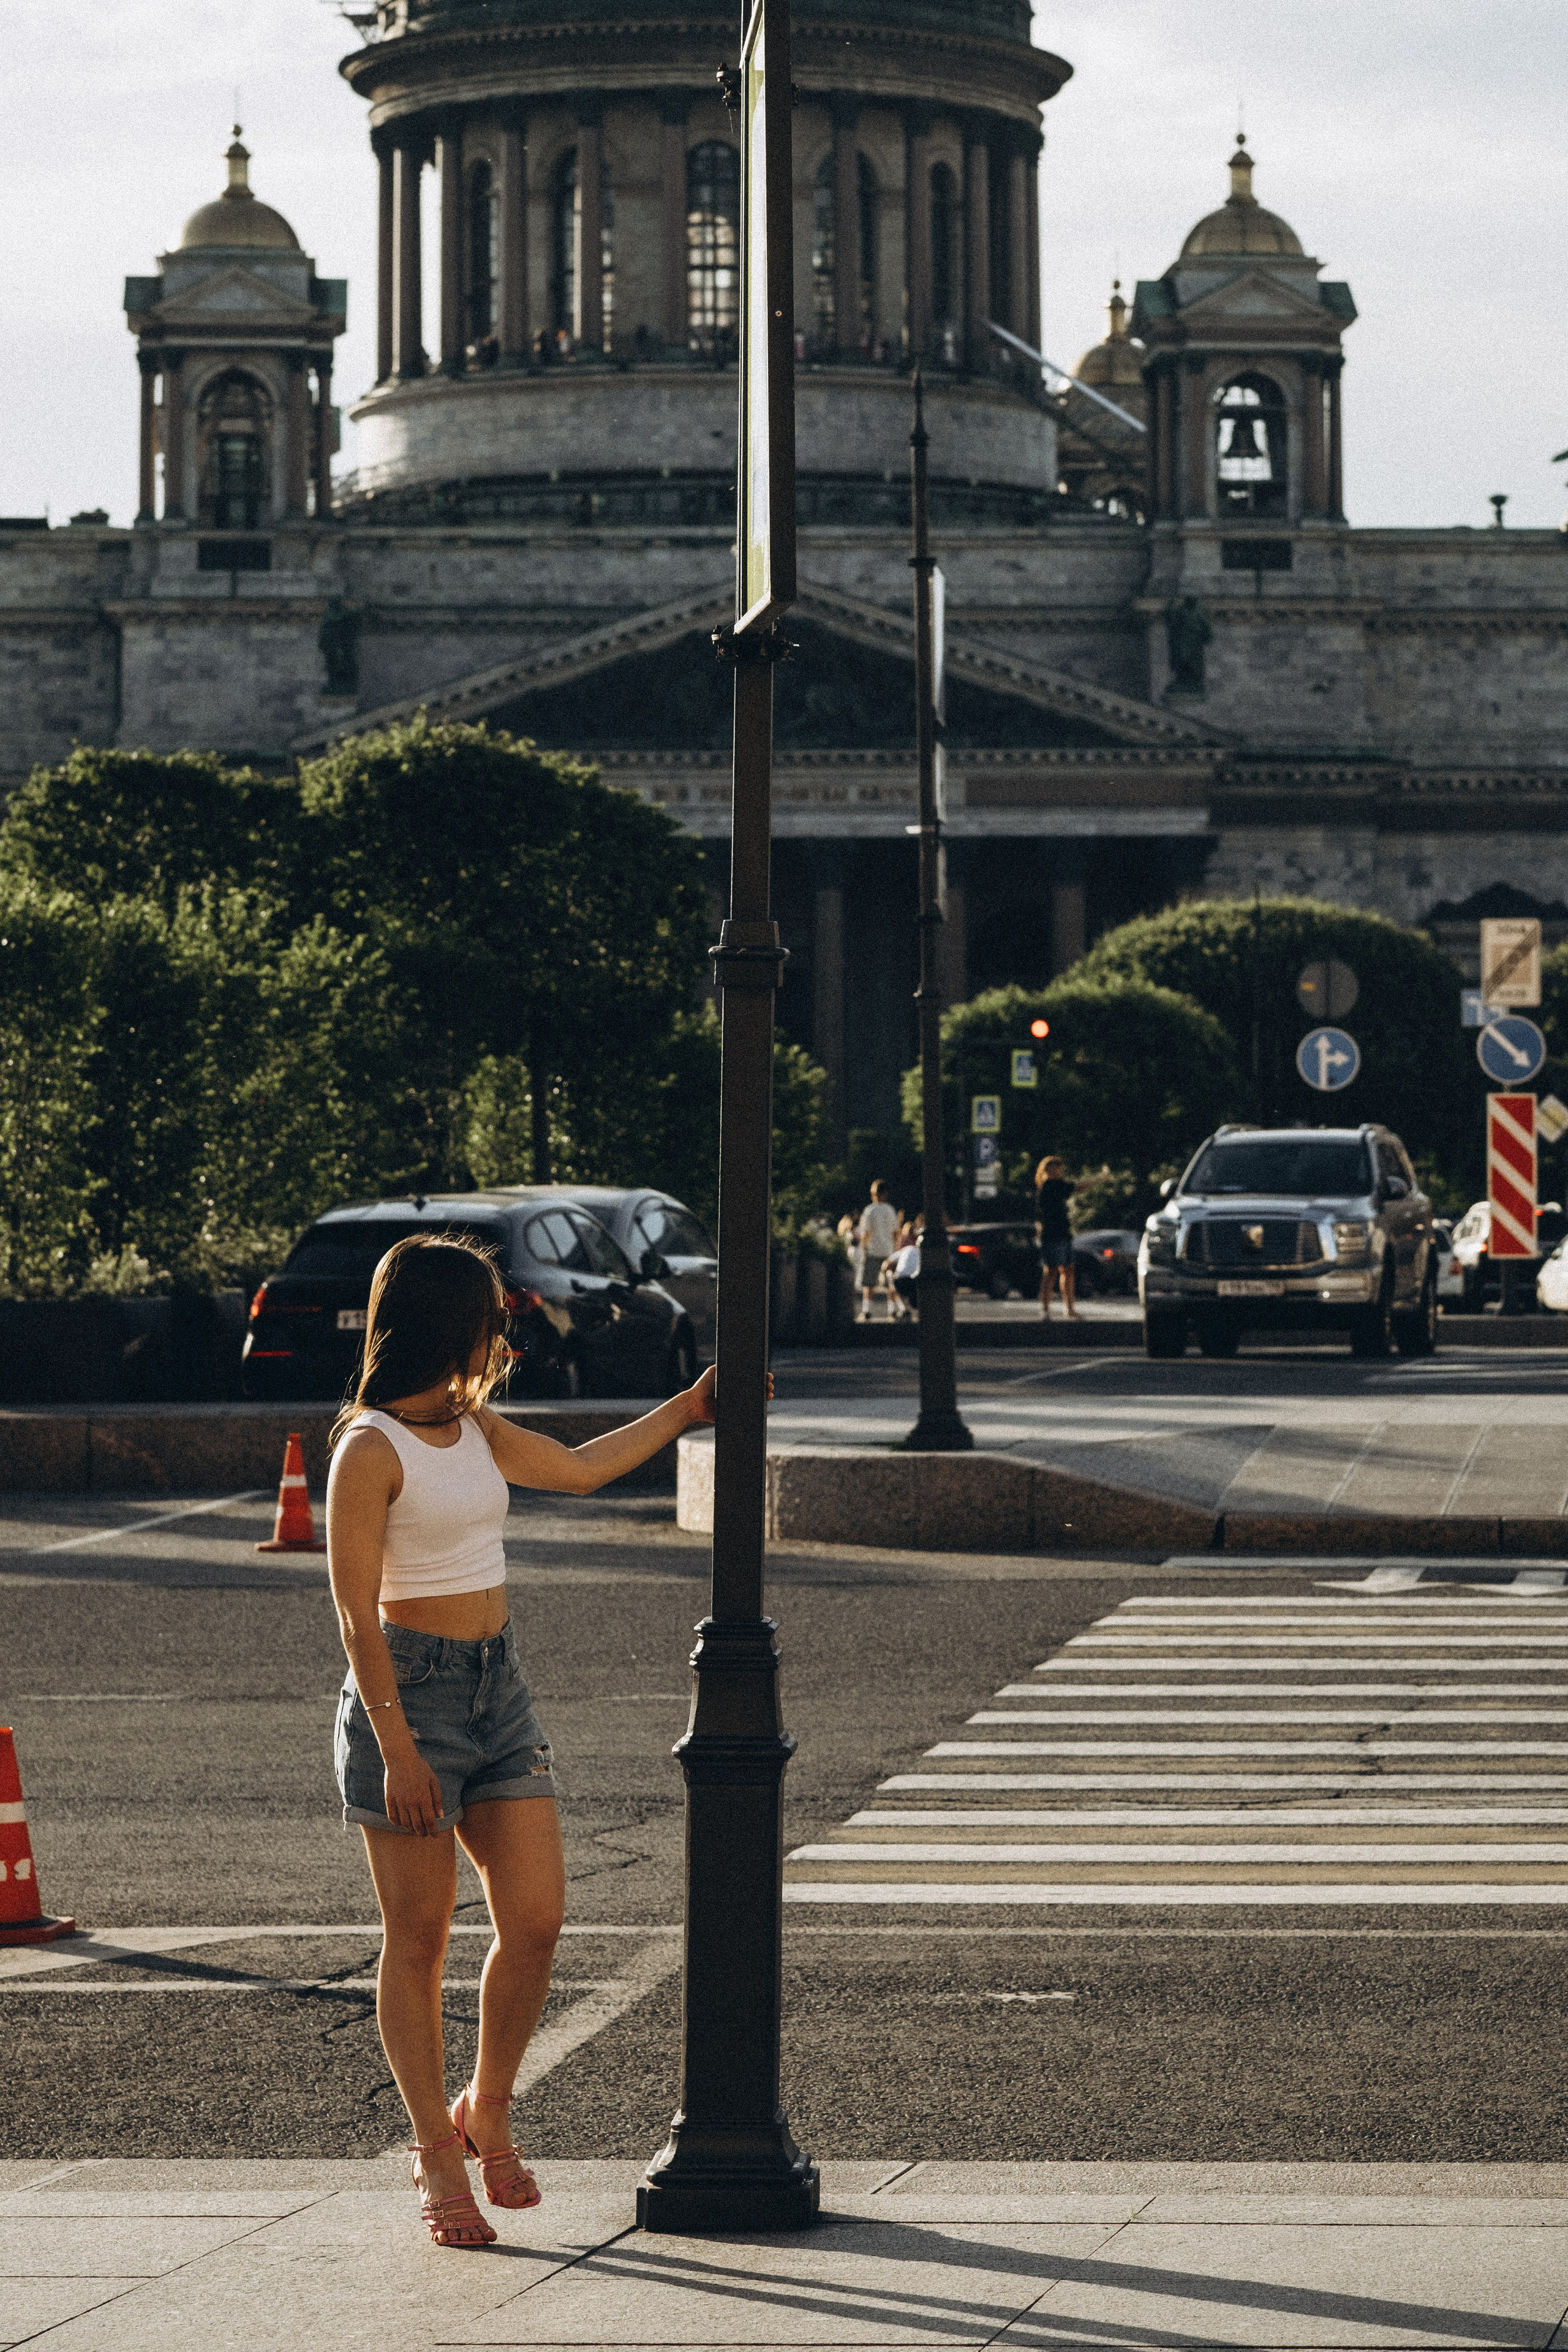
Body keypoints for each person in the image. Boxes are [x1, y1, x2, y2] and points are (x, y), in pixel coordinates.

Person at [327, 1235, 726, 2251]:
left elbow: (583, 1470)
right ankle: (433, 2147)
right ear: (443, 1326)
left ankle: (488, 2106)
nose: (504, 1339)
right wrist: (401, 1749)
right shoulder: (367, 1447)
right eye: (491, 1322)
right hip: (404, 1708)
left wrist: (686, 1408)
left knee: (539, 1919)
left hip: (497, 1689)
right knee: (418, 1942)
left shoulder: (470, 1425)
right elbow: (355, 1618)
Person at [1035, 1154, 1084, 1321]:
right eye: (1057, 1168)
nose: (1060, 1171)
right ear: (1049, 1169)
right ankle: (1046, 1310)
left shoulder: (1053, 1186)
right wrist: (1100, 1180)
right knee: (1051, 1271)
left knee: (1067, 1270)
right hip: (1053, 1235)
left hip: (1063, 1233)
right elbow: (1076, 1188)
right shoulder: (1050, 1186)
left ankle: (1069, 1309)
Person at [856, 1180, 899, 1322]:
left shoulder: (870, 1210)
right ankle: (892, 1310)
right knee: (890, 1283)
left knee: (869, 1283)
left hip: (873, 1250)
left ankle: (867, 1310)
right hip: (888, 1250)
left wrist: (864, 1247)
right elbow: (895, 1233)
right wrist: (895, 1249)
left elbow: (867, 1233)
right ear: (886, 1194)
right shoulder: (891, 1210)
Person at [889, 1220, 922, 1319]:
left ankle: (904, 1309)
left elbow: (887, 1263)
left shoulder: (906, 1249)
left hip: (901, 1280)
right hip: (916, 1281)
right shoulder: (923, 1252)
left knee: (891, 1276)